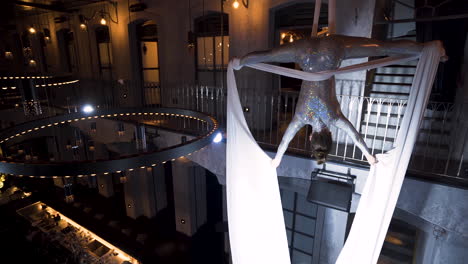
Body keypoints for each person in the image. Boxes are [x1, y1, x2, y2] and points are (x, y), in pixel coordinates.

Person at [236, 34, 442, 167]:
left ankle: (428, 46)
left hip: (332, 51)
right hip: (304, 51)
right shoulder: (300, 118)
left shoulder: (334, 119)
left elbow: (356, 137)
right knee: (269, 55)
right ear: (310, 137)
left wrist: (369, 156)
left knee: (381, 47)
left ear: (331, 134)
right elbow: (284, 141)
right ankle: (240, 61)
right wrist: (277, 159)